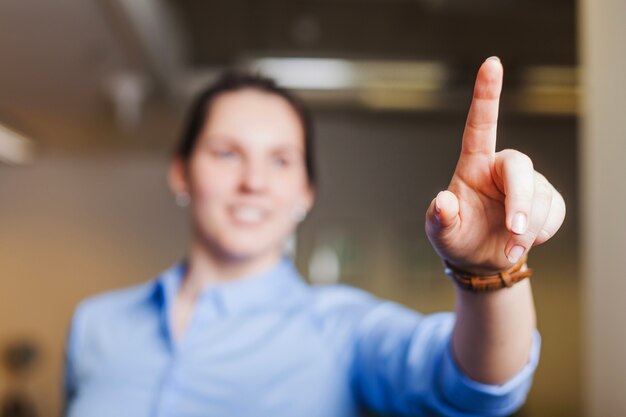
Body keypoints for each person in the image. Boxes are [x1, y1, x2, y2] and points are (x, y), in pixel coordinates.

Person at [63, 57, 566, 417]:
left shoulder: (345, 331)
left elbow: (479, 388)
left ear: (305, 191)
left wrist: (488, 272)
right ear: (180, 173)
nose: (254, 181)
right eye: (226, 153)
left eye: (280, 160)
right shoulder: (94, 325)